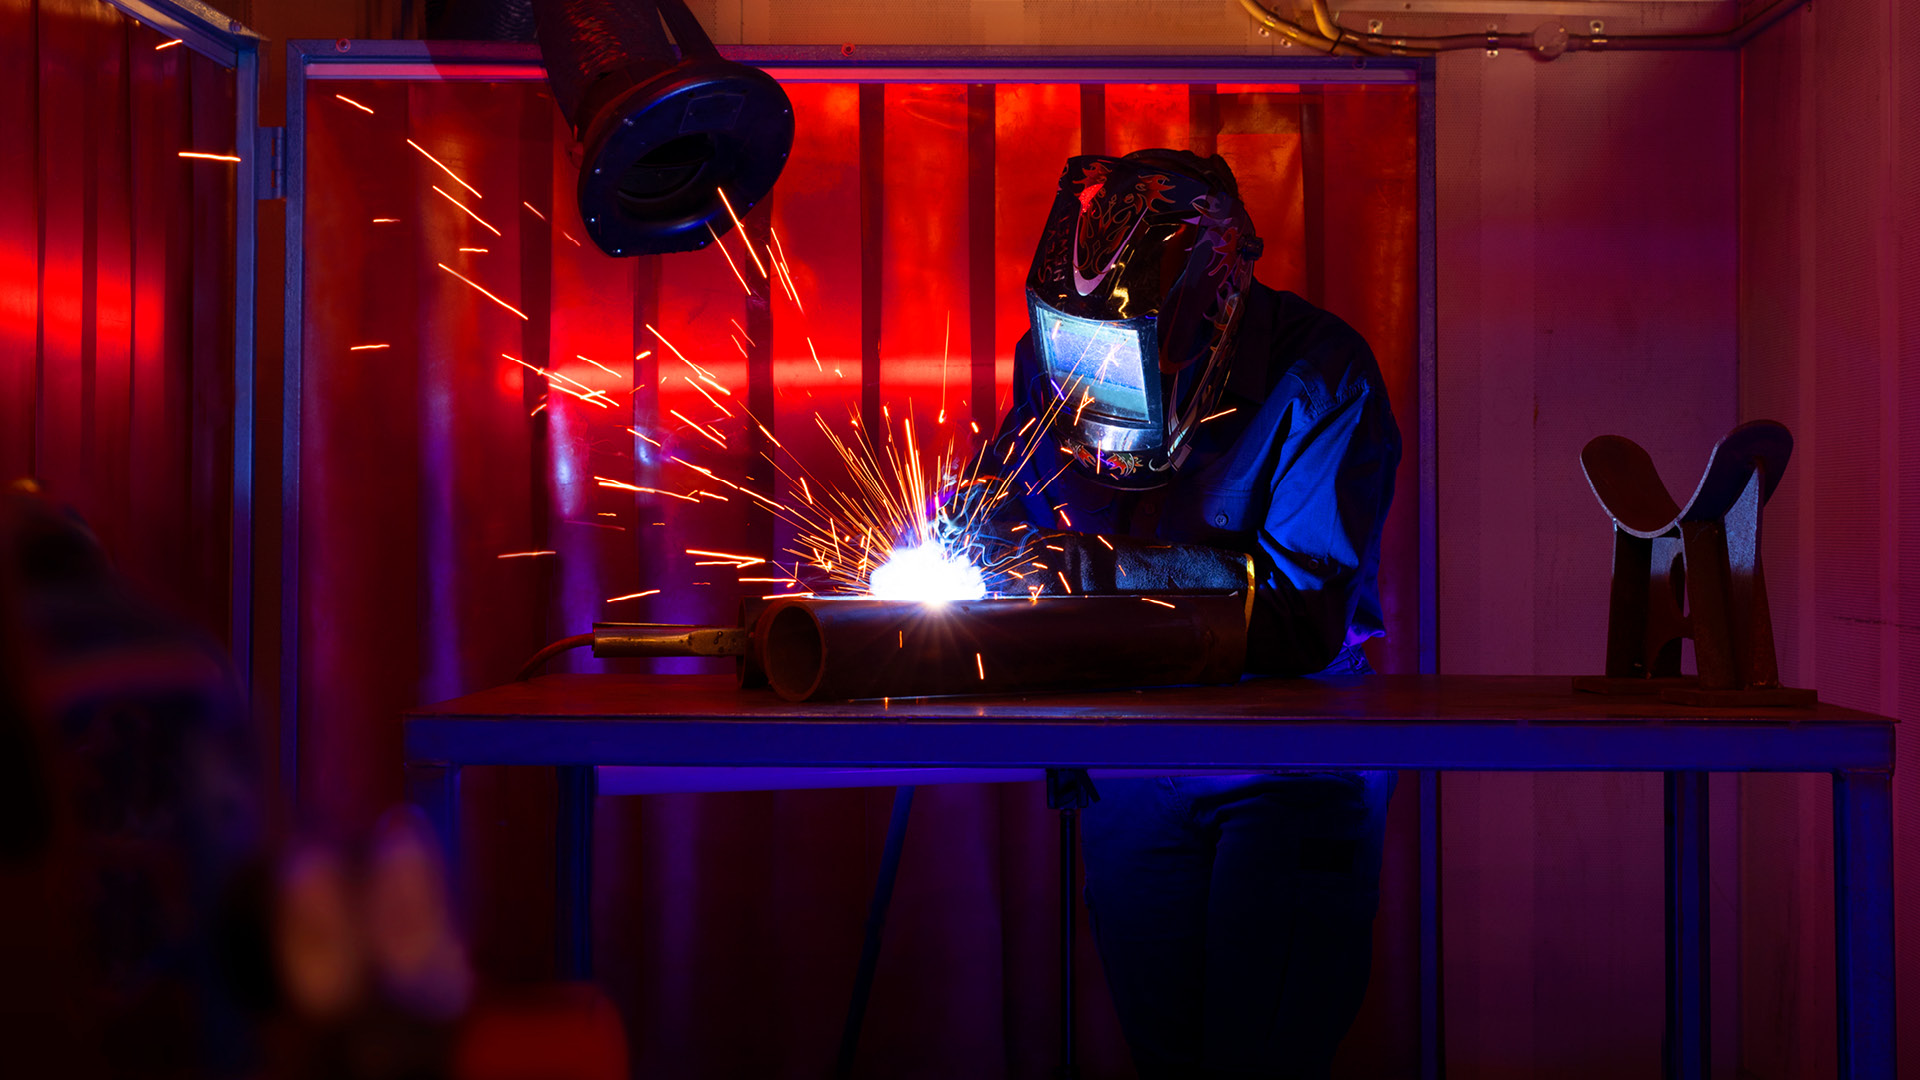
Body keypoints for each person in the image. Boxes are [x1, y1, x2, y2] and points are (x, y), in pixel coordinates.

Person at [945, 148, 1400, 1078]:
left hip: (1284, 765)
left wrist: (1087, 570)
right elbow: (1016, 492)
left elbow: (1301, 617)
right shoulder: (1055, 354)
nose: (1099, 380)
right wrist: (972, 533)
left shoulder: (1321, 374)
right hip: (1127, 762)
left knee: (1260, 1058)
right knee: (1164, 1056)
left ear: (1210, 304)